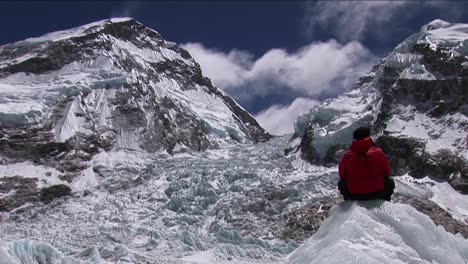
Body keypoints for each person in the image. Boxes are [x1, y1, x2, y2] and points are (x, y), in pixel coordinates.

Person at [338, 127, 394, 201]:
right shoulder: (378, 152)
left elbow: (342, 175)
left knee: (341, 183)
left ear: (355, 139)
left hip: (355, 195)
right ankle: (386, 201)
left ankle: (349, 202)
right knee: (389, 181)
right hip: (379, 193)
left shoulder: (347, 156)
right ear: (369, 137)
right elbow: (387, 172)